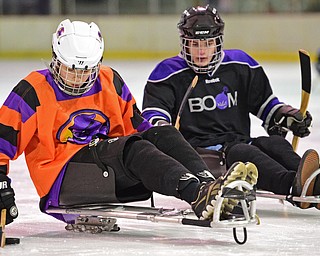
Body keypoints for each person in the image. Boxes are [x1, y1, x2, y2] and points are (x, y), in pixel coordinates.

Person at [0, 19, 259, 226]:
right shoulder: (32, 91)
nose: (78, 78)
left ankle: (208, 187)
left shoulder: (110, 79)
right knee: (133, 148)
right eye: (71, 69)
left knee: (162, 133)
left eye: (87, 70)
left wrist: (164, 142)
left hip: (108, 172)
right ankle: (195, 194)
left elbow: (139, 128)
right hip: (64, 181)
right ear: (55, 60)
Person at [142, 5, 320, 209]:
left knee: (273, 144)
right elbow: (153, 115)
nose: (201, 51)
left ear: (218, 42)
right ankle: (294, 186)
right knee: (243, 153)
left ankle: (314, 180)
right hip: (199, 153)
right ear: (184, 43)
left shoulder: (241, 65)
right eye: (194, 44)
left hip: (238, 141)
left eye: (208, 43)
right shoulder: (167, 73)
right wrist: (162, 126)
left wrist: (286, 115)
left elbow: (266, 105)